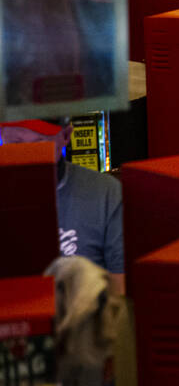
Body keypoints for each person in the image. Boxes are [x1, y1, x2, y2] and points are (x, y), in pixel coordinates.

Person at [0, 120, 124, 295]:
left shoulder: (107, 193)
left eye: (39, 143)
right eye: (16, 143)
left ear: (66, 135)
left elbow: (119, 290)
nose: (27, 153)